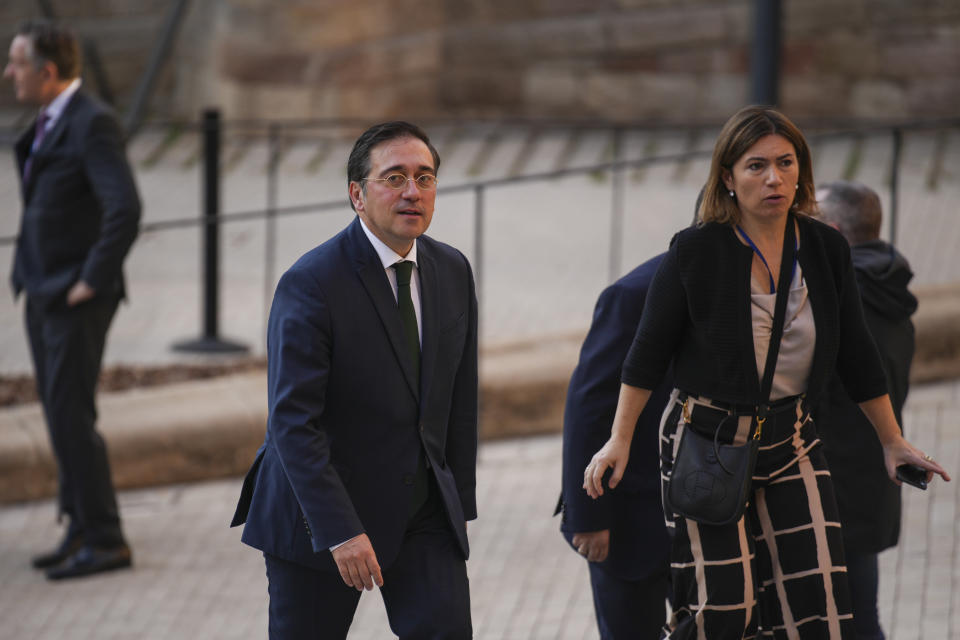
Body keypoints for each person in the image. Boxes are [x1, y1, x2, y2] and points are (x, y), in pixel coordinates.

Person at [583, 105, 950, 639]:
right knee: (723, 612)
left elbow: (857, 353)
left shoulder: (824, 248)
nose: (773, 178)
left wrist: (892, 440)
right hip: (707, 440)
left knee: (818, 603)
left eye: (785, 162)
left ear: (801, 170)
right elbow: (645, 356)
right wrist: (618, 440)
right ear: (727, 178)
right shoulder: (697, 250)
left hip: (793, 438)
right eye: (756, 166)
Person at [232, 121, 478, 639]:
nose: (413, 191)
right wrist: (340, 531)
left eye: (425, 177)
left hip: (422, 512)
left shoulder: (452, 270)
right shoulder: (311, 283)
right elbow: (293, 423)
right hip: (321, 517)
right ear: (357, 194)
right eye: (394, 177)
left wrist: (458, 505)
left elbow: (458, 398)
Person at [5, 20, 141, 580]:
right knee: (62, 417)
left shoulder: (93, 124)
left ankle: (107, 539)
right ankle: (80, 526)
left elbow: (125, 208)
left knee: (70, 416)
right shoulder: (48, 118)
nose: (8, 73)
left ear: (47, 71)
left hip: (74, 296)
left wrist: (90, 279)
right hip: (41, 290)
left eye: (16, 63)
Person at [815, 181, 917, 640]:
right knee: (861, 614)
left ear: (833, 232)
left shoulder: (843, 297)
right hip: (869, 482)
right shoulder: (888, 286)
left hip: (833, 487)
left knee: (850, 622)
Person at [557, 251, 672, 639]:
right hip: (632, 522)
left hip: (715, 518)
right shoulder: (633, 294)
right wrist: (589, 516)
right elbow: (588, 407)